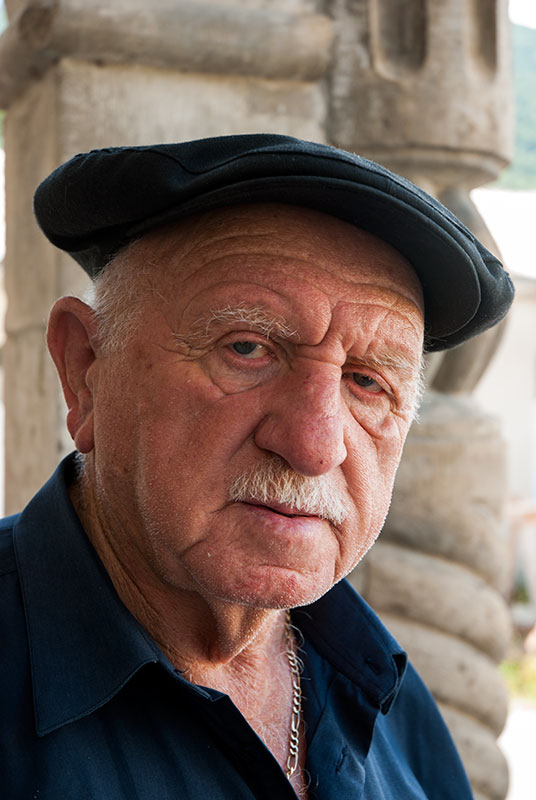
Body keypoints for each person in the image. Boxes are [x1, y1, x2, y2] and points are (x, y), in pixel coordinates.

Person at [0, 134, 513, 799]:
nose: (314, 446)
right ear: (85, 370)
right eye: (247, 348)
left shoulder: (383, 688)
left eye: (367, 382)